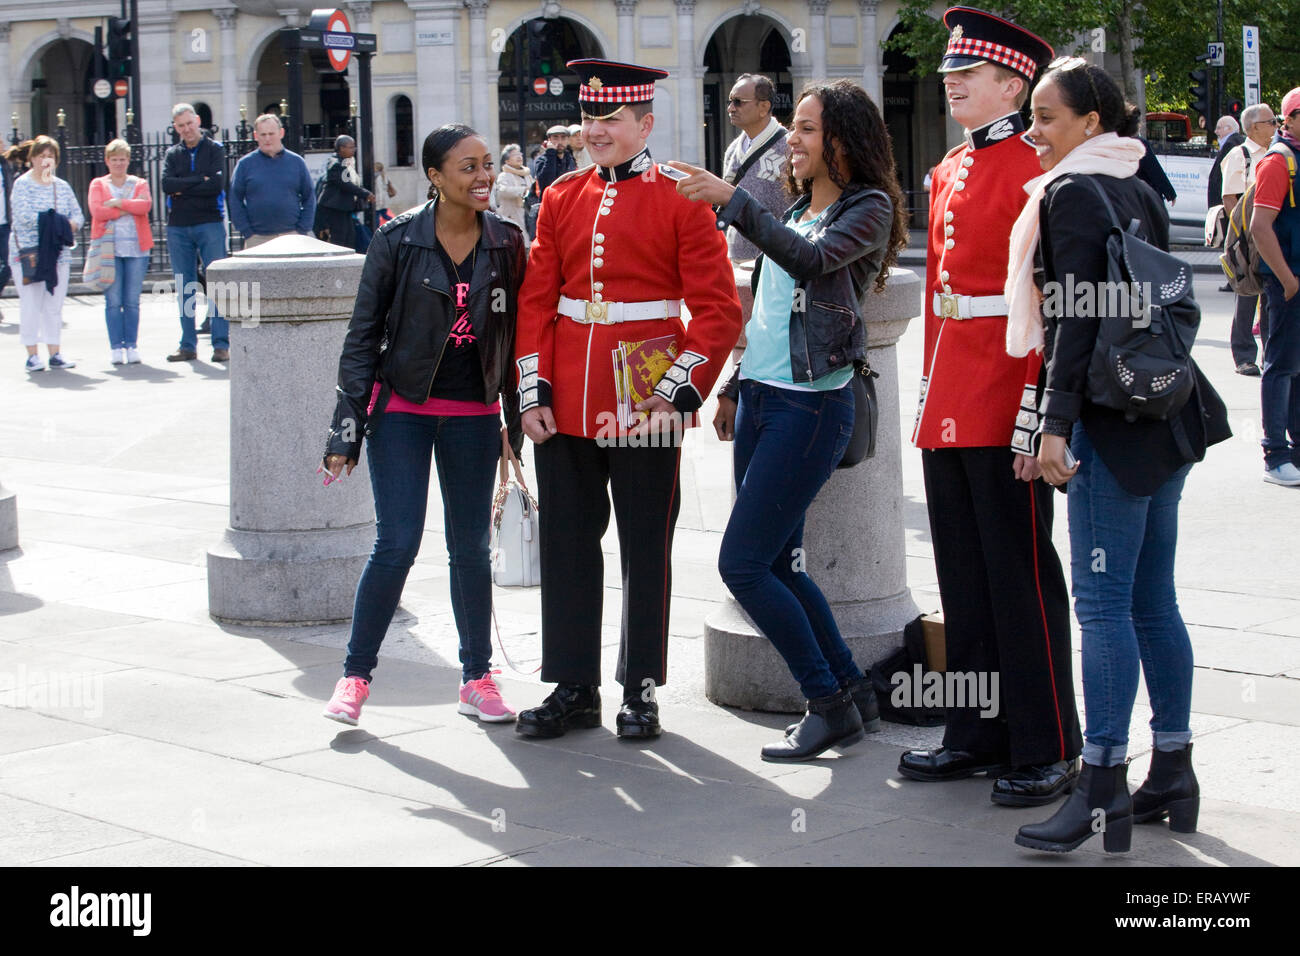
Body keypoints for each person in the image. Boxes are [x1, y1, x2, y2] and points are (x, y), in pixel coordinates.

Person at [1007, 60, 1230, 853]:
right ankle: (1172, 768)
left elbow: (1070, 320)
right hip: (1162, 416)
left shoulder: (1071, 191)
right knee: (1152, 602)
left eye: (1048, 117)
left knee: (1102, 607)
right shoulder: (1140, 180)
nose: (1034, 132)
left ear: (1091, 122)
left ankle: (1102, 787)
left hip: (1107, 420)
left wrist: (1051, 427)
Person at [673, 79, 908, 761]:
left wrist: (734, 201)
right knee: (783, 563)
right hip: (765, 398)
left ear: (844, 140)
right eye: (796, 128)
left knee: (742, 566)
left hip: (813, 405)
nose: (794, 142)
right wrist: (733, 386)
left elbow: (809, 264)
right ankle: (852, 691)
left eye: (807, 129)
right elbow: (771, 316)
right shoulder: (803, 206)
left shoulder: (867, 209)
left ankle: (825, 701)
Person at [513, 58, 742, 741]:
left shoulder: (682, 195)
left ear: (645, 123)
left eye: (610, 119)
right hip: (570, 393)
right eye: (589, 118)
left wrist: (676, 394)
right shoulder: (561, 196)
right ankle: (573, 684)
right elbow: (535, 301)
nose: (596, 130)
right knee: (567, 544)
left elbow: (717, 309)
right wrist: (533, 390)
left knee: (646, 545)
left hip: (644, 394)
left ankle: (639, 685)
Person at [901, 8, 1082, 808]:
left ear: (1012, 83)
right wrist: (929, 400)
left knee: (1019, 574)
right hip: (952, 394)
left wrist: (1036, 416)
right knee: (963, 575)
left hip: (1008, 389)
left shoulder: (1033, 171)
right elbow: (943, 304)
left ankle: (1049, 743)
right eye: (949, 73)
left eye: (965, 74)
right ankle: (975, 731)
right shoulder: (948, 169)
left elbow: (1047, 306)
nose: (951, 83)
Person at [321, 124, 527, 727]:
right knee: (397, 543)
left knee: (469, 549)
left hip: (474, 414)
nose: (484, 176)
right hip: (403, 411)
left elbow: (518, 338)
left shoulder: (508, 243)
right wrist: (346, 428)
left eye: (487, 164)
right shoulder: (396, 240)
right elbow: (361, 338)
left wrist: (518, 419)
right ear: (435, 177)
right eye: (468, 167)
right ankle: (355, 677)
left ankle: (477, 679)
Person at [1250, 87, 1300, 487]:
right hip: (1288, 282)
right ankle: (1275, 454)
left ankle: (1295, 451)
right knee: (1280, 367)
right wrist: (1287, 281)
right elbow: (1259, 227)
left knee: (1294, 369)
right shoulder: (1278, 161)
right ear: (1293, 118)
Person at [163, 103, 229, 363]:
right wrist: (198, 180)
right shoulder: (172, 154)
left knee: (218, 283)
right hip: (178, 225)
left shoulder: (215, 150)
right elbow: (167, 185)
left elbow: (215, 185)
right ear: (176, 128)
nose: (186, 129)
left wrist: (185, 186)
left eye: (190, 123)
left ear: (198, 121)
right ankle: (187, 344)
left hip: (209, 221)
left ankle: (221, 344)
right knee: (184, 285)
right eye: (181, 126)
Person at [10, 135, 82, 371]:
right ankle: (31, 354)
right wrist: (55, 220)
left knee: (54, 305)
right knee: (31, 304)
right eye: (41, 155)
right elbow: (23, 217)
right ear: (32, 159)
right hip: (28, 254)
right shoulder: (22, 184)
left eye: (50, 156)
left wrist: (63, 223)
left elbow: (78, 217)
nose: (45, 160)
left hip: (57, 255)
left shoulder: (61, 187)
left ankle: (55, 352)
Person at [1221, 103, 1276, 376]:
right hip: (1246, 238)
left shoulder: (1275, 153)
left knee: (1269, 298)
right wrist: (1242, 237)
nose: (1276, 126)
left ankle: (1270, 354)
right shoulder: (1239, 155)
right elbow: (1230, 198)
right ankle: (1244, 355)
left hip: (1270, 234)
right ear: (1254, 127)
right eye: (1271, 121)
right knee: (1246, 296)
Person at [88, 138, 153, 365]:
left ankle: (132, 345)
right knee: (113, 300)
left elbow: (145, 206)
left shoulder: (140, 183)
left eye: (122, 160)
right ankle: (116, 346)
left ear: (128, 161)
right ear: (107, 161)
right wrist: (127, 207)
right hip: (109, 248)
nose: (118, 164)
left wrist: (116, 203)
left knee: (132, 300)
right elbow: (97, 211)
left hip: (136, 248)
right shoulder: (98, 184)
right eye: (114, 159)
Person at [720, 73, 791, 266]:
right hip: (736, 259)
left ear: (764, 107)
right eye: (730, 101)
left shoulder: (790, 148)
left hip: (776, 262)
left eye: (738, 102)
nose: (730, 108)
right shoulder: (733, 149)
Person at [229, 114, 315, 248]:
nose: (267, 138)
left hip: (293, 236)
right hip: (257, 238)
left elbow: (309, 197)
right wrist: (247, 232)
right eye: (263, 135)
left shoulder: (297, 162)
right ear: (256, 136)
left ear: (281, 133)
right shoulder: (244, 165)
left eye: (271, 133)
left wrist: (302, 229)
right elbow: (235, 200)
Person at [314, 135, 374, 251]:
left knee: (349, 239)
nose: (354, 150)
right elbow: (345, 184)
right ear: (341, 148)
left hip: (344, 209)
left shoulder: (345, 162)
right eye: (351, 147)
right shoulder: (336, 164)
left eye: (354, 147)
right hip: (334, 210)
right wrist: (366, 194)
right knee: (340, 242)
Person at [491, 144, 532, 244]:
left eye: (520, 154)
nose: (519, 157)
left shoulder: (527, 175)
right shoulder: (504, 175)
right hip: (512, 217)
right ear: (507, 161)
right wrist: (523, 190)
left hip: (527, 216)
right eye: (515, 155)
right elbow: (503, 191)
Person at [1207, 115, 1243, 209]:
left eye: (1219, 128)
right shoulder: (1238, 141)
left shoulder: (1230, 144)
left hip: (1225, 203)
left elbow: (1221, 176)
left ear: (1229, 128)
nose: (1216, 131)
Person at [532, 124, 576, 193]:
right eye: (555, 138)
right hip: (549, 200)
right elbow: (546, 183)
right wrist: (551, 153)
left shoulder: (569, 158)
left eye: (563, 138)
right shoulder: (541, 160)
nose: (560, 142)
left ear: (568, 140)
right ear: (549, 140)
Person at [373, 161, 397, 225]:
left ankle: (376, 230)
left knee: (376, 216)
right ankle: (396, 222)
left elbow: (379, 190)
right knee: (384, 215)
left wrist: (379, 202)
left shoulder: (378, 177)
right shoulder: (384, 176)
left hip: (380, 200)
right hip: (385, 199)